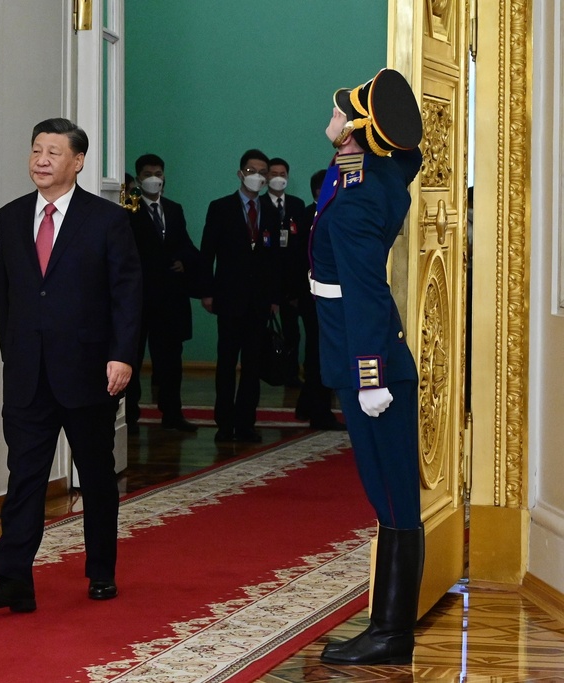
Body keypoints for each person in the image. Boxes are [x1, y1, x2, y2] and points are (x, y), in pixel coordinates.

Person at [0, 118, 142, 612]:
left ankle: (101, 571)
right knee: (24, 476)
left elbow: (128, 294)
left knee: (95, 475)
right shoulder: (10, 217)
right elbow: (5, 292)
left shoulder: (107, 220)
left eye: (53, 152)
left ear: (78, 161)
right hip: (28, 373)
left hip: (90, 370)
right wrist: (14, 351)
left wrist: (122, 356)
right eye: (36, 151)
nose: (41, 160)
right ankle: (14, 580)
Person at [309, 68, 425, 665]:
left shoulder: (356, 205)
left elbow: (366, 294)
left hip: (370, 365)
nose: (330, 116)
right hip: (367, 354)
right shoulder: (377, 172)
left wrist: (370, 376)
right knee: (391, 494)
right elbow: (406, 152)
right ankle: (388, 626)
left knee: (392, 497)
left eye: (340, 112)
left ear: (353, 132)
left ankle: (391, 633)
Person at [200, 148, 279, 443]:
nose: (256, 176)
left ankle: (246, 422)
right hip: (229, 298)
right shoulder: (220, 207)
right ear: (240, 173)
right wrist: (206, 292)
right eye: (251, 171)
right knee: (226, 362)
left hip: (259, 302)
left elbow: (273, 261)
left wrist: (273, 297)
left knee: (253, 364)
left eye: (262, 172)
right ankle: (224, 422)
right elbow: (207, 254)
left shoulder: (271, 211)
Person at [124, 154, 201, 434]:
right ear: (138, 177)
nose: (153, 178)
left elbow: (186, 245)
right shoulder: (128, 210)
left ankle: (172, 413)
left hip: (170, 299)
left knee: (170, 361)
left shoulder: (174, 208)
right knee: (131, 358)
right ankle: (129, 415)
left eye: (158, 173)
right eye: (147, 174)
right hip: (139, 298)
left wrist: (184, 260)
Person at [294, 169, 344, 430]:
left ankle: (307, 405)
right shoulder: (311, 216)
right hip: (315, 295)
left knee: (317, 352)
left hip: (320, 295)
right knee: (319, 354)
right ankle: (319, 411)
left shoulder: (322, 214)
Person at [260, 157, 307, 388]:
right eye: (274, 173)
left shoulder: (297, 205)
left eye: (282, 174)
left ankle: (290, 375)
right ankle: (264, 372)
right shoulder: (258, 204)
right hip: (266, 281)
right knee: (262, 333)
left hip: (292, 283)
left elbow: (301, 247)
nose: (278, 178)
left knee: (291, 333)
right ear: (266, 177)